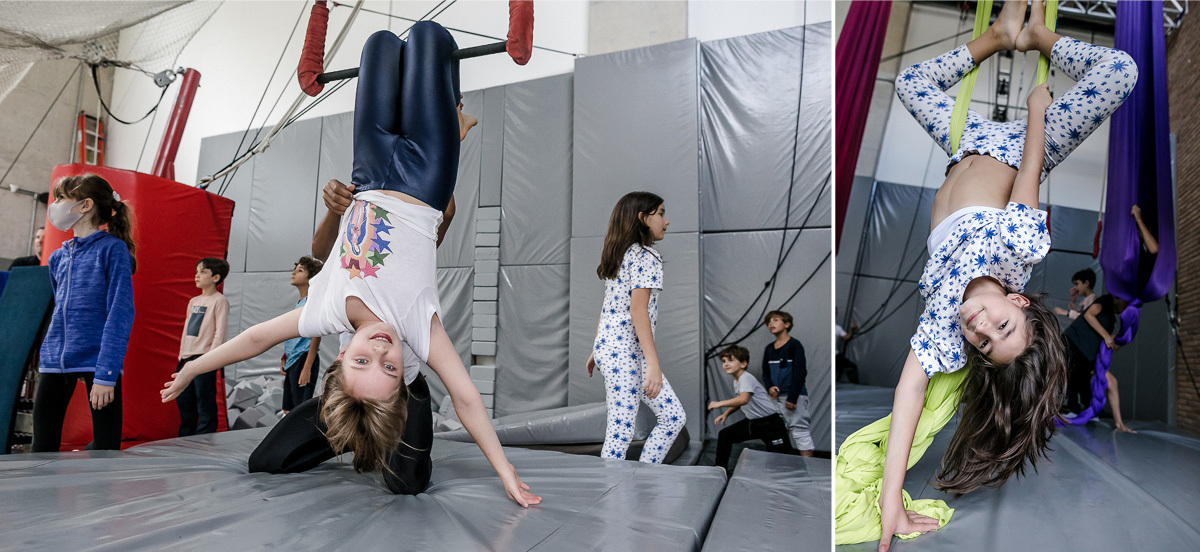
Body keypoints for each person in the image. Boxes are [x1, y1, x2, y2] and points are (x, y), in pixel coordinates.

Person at [162, 23, 538, 506]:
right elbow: (466, 398)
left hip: (370, 173)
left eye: (363, 360)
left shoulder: (326, 312)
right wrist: (504, 469)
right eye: (390, 366)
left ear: (341, 357)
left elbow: (255, 339)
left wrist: (193, 368)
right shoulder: (417, 329)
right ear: (404, 376)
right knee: (429, 37)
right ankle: (454, 123)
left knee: (378, 45)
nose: (381, 349)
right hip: (426, 177)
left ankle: (453, 121)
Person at [837, 2, 1137, 549]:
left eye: (983, 343)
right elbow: (1029, 173)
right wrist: (1038, 112)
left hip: (963, 140)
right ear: (1018, 303)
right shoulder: (1016, 253)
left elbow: (909, 394)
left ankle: (998, 35)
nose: (981, 327)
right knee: (1121, 71)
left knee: (910, 82)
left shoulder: (943, 323)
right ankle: (1038, 34)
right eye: (1002, 327)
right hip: (1023, 146)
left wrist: (890, 502)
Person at [32, 174, 135, 452]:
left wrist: (106, 374)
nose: (56, 204)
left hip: (98, 361)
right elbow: (59, 310)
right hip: (55, 361)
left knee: (105, 449)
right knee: (41, 446)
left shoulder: (112, 250)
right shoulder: (57, 257)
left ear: (86, 205)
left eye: (61, 198)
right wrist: (47, 352)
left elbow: (120, 312)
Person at [585, 191, 686, 464]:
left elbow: (609, 306)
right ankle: (611, 487)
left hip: (614, 348)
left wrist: (598, 347)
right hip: (624, 352)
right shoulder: (646, 256)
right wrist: (653, 364)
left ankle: (643, 474)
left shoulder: (623, 254)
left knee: (673, 416)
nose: (666, 221)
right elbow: (637, 310)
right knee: (620, 432)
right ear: (643, 218)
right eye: (661, 213)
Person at [707, 345, 796, 469]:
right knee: (725, 435)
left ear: (743, 364)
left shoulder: (746, 378)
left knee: (782, 459)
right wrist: (726, 413)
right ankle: (720, 469)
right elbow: (740, 400)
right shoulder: (737, 380)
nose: (726, 364)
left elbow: (743, 399)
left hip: (770, 424)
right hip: (753, 422)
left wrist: (718, 403)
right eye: (723, 361)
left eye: (730, 360)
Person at [1061, 294, 1135, 433]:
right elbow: (1088, 315)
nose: (1125, 308)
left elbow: (1112, 383)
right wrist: (1106, 336)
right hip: (1074, 345)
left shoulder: (1111, 322)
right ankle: (1071, 409)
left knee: (1108, 383)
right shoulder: (1105, 301)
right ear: (1118, 298)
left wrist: (1119, 423)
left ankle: (1118, 423)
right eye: (1125, 304)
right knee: (1062, 377)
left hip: (1088, 357)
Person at [176, 257, 230, 436]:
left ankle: (205, 440)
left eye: (203, 272)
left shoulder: (219, 301)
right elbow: (187, 329)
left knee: (205, 402)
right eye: (197, 271)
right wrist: (182, 355)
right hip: (186, 357)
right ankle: (185, 438)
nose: (197, 275)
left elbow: (220, 331)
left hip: (204, 357)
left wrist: (211, 358)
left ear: (216, 278)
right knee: (185, 401)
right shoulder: (193, 301)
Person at [762, 310, 813, 456]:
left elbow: (800, 372)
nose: (771, 323)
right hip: (775, 399)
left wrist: (792, 397)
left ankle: (809, 466)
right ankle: (783, 465)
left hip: (793, 397)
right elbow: (765, 373)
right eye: (768, 322)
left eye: (775, 320)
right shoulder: (769, 349)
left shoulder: (795, 345)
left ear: (787, 324)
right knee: (778, 434)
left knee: (800, 432)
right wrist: (770, 387)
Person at [280, 256, 323, 414]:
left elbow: (316, 335)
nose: (293, 273)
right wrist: (285, 356)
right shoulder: (300, 303)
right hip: (293, 360)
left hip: (304, 359)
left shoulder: (312, 303)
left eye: (300, 270)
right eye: (294, 269)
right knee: (288, 409)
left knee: (300, 410)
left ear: (311, 278)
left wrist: (307, 367)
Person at [836, 319, 859, 384]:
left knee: (852, 367)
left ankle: (855, 386)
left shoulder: (837, 328)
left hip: (835, 355)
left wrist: (852, 331)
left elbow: (846, 337)